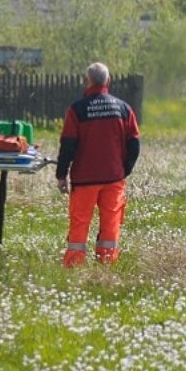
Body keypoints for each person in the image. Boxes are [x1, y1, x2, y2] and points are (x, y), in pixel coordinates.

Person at [56, 62, 140, 265]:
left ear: (87, 81)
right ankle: (106, 264)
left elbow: (68, 145)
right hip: (113, 178)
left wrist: (61, 174)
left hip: (84, 179)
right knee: (111, 224)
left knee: (79, 224)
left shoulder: (77, 110)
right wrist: (124, 170)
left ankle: (74, 266)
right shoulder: (124, 109)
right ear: (108, 80)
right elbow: (134, 144)